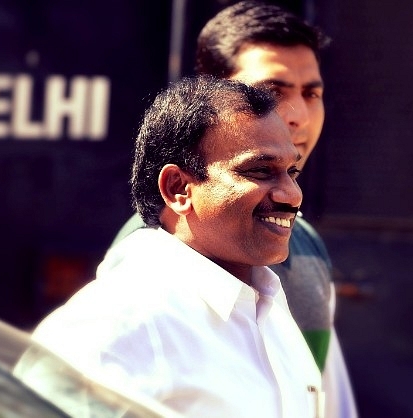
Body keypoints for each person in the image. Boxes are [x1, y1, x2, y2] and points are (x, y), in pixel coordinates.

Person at [18, 76, 324, 417]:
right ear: (178, 188)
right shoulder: (111, 328)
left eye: (292, 172)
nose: (292, 195)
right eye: (261, 170)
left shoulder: (268, 310)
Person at [112, 2, 358, 417]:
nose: (297, 115)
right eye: (270, 93)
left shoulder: (306, 246)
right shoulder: (145, 265)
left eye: (311, 93)